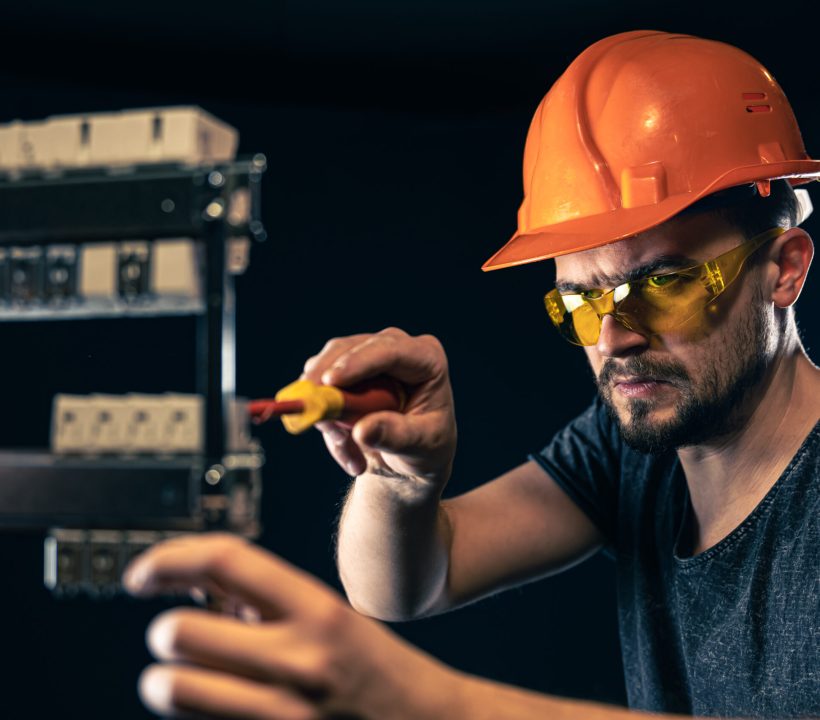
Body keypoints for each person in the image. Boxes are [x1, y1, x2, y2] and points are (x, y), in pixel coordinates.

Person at [123, 31, 819, 719]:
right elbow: (410, 583)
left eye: (664, 281)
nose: (614, 337)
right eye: (580, 298)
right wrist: (399, 479)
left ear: (783, 268)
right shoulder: (639, 450)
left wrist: (427, 701)